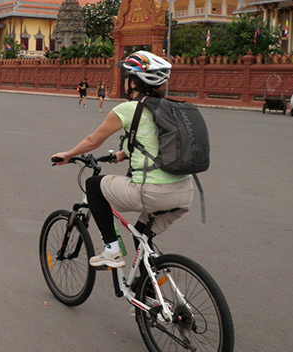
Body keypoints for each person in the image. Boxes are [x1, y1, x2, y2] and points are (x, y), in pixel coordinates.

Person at [52, 51, 194, 268]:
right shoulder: (170, 109)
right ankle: (148, 292)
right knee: (141, 236)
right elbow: (154, 142)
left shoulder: (128, 109)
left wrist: (68, 154)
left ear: (134, 81)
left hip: (152, 193)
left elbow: (93, 142)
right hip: (184, 193)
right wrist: (123, 154)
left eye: (127, 76)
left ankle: (112, 250)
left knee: (93, 186)